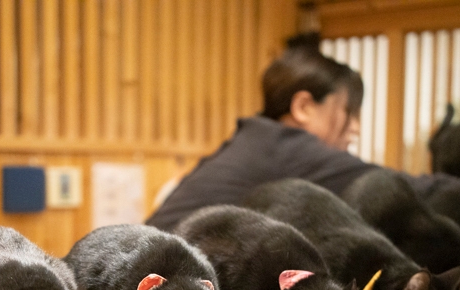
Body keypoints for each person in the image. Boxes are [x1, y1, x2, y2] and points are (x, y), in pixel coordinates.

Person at [145, 33, 381, 231]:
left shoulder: (259, 143)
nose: (356, 128)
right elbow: (389, 188)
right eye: (349, 111)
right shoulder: (287, 148)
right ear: (304, 108)